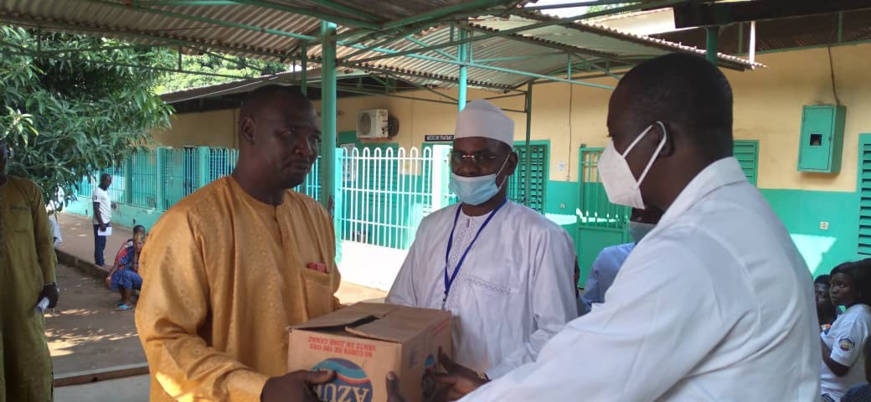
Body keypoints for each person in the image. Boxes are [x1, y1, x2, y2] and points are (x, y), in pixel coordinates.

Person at [387, 53, 820, 401]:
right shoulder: (742, 218)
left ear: (657, 139)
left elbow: (588, 379)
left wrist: (488, 388)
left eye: (615, 138)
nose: (610, 157)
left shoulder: (691, 247)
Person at [135, 85, 341, 401]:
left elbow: (328, 310)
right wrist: (261, 389)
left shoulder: (315, 217)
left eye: (314, 138)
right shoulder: (190, 224)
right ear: (249, 130)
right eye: (290, 134)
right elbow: (164, 340)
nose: (307, 149)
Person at [386, 99, 578, 379]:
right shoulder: (431, 227)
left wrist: (487, 381)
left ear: (510, 163)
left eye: (483, 157)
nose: (468, 168)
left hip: (496, 392)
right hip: (425, 384)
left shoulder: (541, 237)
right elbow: (400, 302)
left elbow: (558, 333)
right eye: (459, 156)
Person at [0, 139, 59, 400]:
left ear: (6, 157)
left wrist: (50, 282)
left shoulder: (27, 192)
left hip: (24, 296)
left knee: (29, 359)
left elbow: (44, 242)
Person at [580, 206, 663, 314]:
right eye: (635, 214)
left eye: (648, 215)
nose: (638, 220)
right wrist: (574, 292)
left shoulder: (674, 262)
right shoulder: (609, 257)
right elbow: (588, 309)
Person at [820, 260, 871, 401]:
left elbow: (840, 367)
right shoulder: (851, 314)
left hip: (830, 395)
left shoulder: (854, 319)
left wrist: (816, 339)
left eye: (842, 285)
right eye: (832, 285)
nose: (834, 290)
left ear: (859, 290)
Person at [106, 231, 146, 310]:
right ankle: (124, 298)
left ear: (144, 244)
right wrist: (109, 276)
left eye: (139, 243)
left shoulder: (147, 253)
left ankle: (128, 303)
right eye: (135, 243)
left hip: (145, 280)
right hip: (135, 277)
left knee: (126, 273)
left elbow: (136, 269)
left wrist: (135, 255)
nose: (136, 246)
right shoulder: (131, 251)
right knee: (117, 273)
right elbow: (119, 263)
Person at [92, 173, 112, 266]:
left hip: (105, 220)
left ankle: (100, 260)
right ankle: (99, 262)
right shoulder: (97, 191)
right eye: (106, 181)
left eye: (109, 181)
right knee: (99, 242)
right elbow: (96, 208)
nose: (108, 183)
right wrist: (101, 223)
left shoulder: (105, 191)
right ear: (102, 180)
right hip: (100, 222)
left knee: (103, 242)